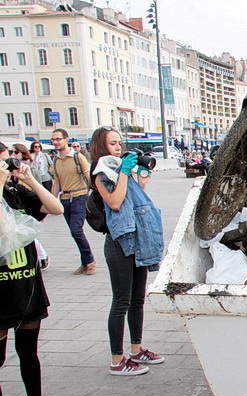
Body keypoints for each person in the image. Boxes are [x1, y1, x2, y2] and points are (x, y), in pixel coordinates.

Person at [0, 142, 67, 396]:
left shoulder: (15, 193)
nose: (7, 167)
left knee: (29, 352)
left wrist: (28, 181)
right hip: (1, 292)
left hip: (26, 284)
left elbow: (56, 208)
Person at [88, 126, 165, 376]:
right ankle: (116, 360)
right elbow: (115, 201)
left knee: (137, 300)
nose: (118, 147)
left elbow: (132, 201)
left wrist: (140, 178)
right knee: (121, 302)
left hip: (137, 240)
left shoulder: (121, 170)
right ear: (101, 146)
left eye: (120, 143)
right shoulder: (101, 172)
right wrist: (122, 171)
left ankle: (136, 349)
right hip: (119, 244)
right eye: (112, 144)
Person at [49, 128, 95, 275]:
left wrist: (89, 195)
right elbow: (56, 183)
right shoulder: (56, 160)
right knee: (74, 231)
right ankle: (85, 262)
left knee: (76, 230)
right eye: (53, 139)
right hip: (65, 199)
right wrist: (50, 202)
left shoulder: (77, 157)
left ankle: (90, 260)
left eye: (58, 139)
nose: (55, 142)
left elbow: (88, 178)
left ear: (66, 139)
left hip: (79, 196)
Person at [10, 144, 50, 271]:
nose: (13, 156)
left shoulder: (28, 168)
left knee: (28, 235)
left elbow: (38, 183)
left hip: (28, 202)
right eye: (11, 152)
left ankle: (42, 256)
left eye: (15, 152)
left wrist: (30, 181)